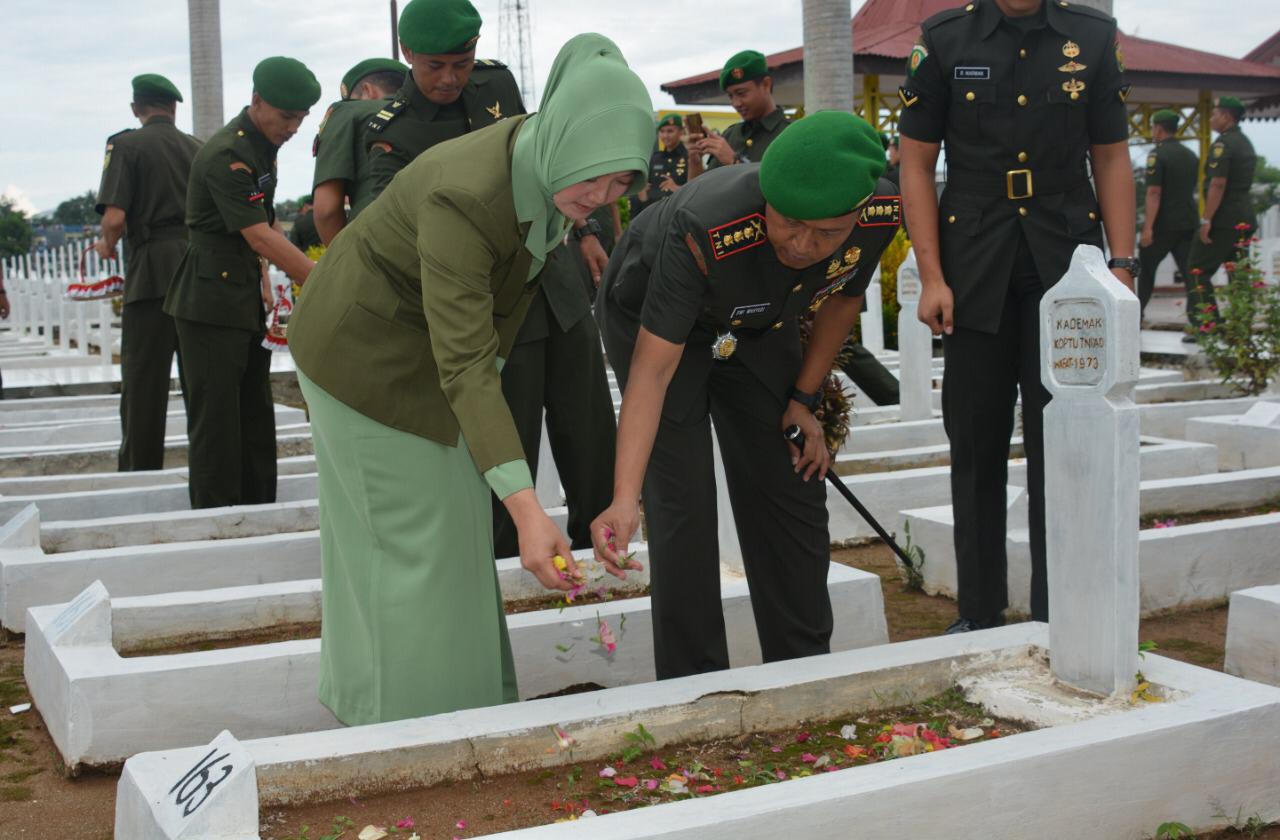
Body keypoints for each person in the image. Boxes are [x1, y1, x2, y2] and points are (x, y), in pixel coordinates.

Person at [286, 34, 654, 725]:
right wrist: (528, 510)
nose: (603, 198)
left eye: (622, 182)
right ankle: (409, 723)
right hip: (362, 359)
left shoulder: (544, 159)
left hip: (427, 352)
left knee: (452, 535)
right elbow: (465, 359)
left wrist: (514, 492)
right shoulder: (464, 193)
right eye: (593, 179)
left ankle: (468, 704)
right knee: (410, 543)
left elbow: (490, 325)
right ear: (562, 143)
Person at [592, 111, 888, 679]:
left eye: (826, 232)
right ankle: (696, 679)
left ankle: (802, 667)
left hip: (757, 323)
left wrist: (803, 399)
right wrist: (625, 497)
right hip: (654, 314)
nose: (804, 244)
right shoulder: (707, 225)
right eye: (790, 223)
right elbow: (652, 374)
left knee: (790, 477)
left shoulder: (879, 211)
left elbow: (844, 299)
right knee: (682, 498)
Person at [898, 0, 1136, 632]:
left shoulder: (1091, 36)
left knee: (1059, 439)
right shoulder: (945, 39)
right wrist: (931, 276)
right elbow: (916, 163)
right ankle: (980, 611)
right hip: (974, 264)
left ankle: (1061, 613)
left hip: (1066, 262)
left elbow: (1111, 155)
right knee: (975, 441)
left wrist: (1122, 266)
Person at [163, 57, 321, 509]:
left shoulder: (259, 146)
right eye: (287, 116)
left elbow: (262, 217)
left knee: (254, 414)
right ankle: (217, 521)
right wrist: (318, 277)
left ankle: (256, 509)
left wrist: (263, 281)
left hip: (238, 295)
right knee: (216, 422)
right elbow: (258, 233)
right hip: (208, 301)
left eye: (301, 118)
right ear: (256, 101)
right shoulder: (228, 154)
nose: (293, 127)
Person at [93, 74, 201, 471]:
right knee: (199, 382)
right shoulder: (198, 148)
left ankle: (140, 471)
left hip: (151, 273)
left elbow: (115, 217)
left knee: (143, 384)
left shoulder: (125, 145)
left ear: (137, 109)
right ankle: (206, 470)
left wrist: (106, 246)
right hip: (196, 270)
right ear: (173, 109)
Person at [363, 0, 527, 201]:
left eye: (462, 64)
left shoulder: (497, 84)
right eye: (435, 66)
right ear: (407, 52)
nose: (449, 79)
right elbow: (390, 220)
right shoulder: (393, 132)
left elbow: (528, 159)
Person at [311, 57, 408, 245]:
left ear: (367, 91)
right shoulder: (436, 114)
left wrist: (342, 265)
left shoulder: (350, 112)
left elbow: (326, 211)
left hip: (378, 247)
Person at [1185, 95, 1258, 337]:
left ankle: (1206, 325)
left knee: (1197, 270)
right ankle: (1241, 324)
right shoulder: (1245, 142)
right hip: (1243, 215)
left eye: (1215, 113)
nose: (1212, 117)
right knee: (1237, 273)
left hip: (1223, 219)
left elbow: (1217, 184)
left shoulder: (1223, 145)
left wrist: (1207, 220)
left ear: (1226, 116)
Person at [687, 50, 788, 180]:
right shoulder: (730, 135)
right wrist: (695, 161)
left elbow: (785, 192)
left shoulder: (791, 135)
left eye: (741, 93)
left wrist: (733, 161)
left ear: (766, 84)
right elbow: (699, 194)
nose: (736, 103)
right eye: (730, 96)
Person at [1137, 110, 1198, 318]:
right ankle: (1198, 319)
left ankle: (1137, 314)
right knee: (1191, 273)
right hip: (1188, 222)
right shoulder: (1190, 155)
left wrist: (1148, 228)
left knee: (1146, 269)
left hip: (1163, 224)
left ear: (1159, 128)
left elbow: (1154, 192)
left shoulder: (1157, 155)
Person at [629, 113, 689, 219]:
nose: (665, 135)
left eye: (670, 131)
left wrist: (677, 189)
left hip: (676, 215)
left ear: (681, 132)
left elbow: (697, 189)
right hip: (652, 214)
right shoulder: (655, 158)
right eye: (662, 131)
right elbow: (644, 187)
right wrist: (642, 194)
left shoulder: (689, 157)